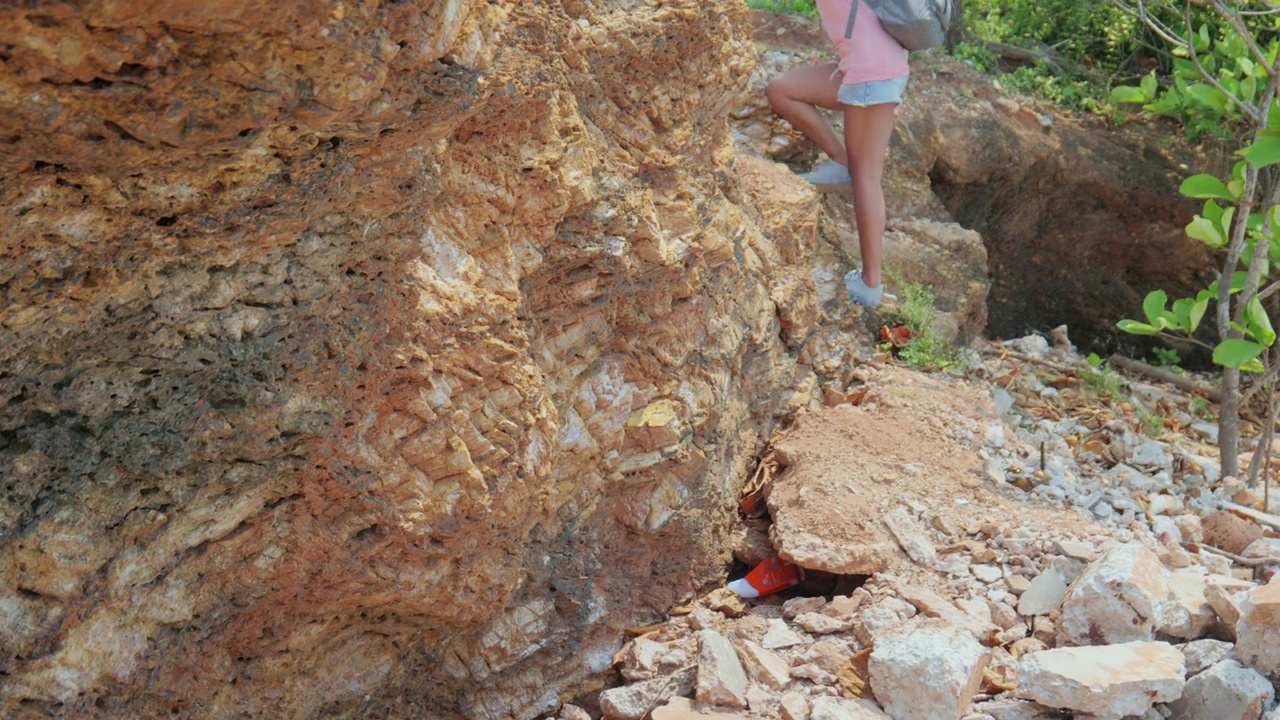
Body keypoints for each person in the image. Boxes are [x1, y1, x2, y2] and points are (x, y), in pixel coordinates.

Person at [765, 0, 909, 309]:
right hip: (858, 68)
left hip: (874, 75)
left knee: (867, 178)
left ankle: (871, 283)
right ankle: (842, 161)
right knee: (782, 89)